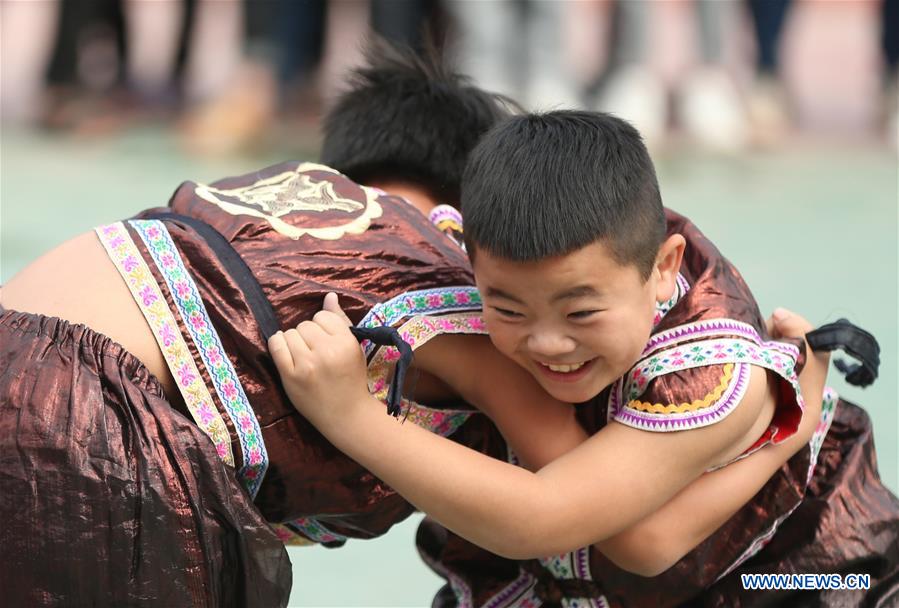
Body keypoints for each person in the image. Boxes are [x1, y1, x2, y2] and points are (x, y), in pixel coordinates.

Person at [271, 110, 899, 606]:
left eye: (580, 313)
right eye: (509, 310)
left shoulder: (716, 372)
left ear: (664, 270)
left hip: (798, 574)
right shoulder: (488, 252)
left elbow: (640, 543)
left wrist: (794, 426)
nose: (547, 343)